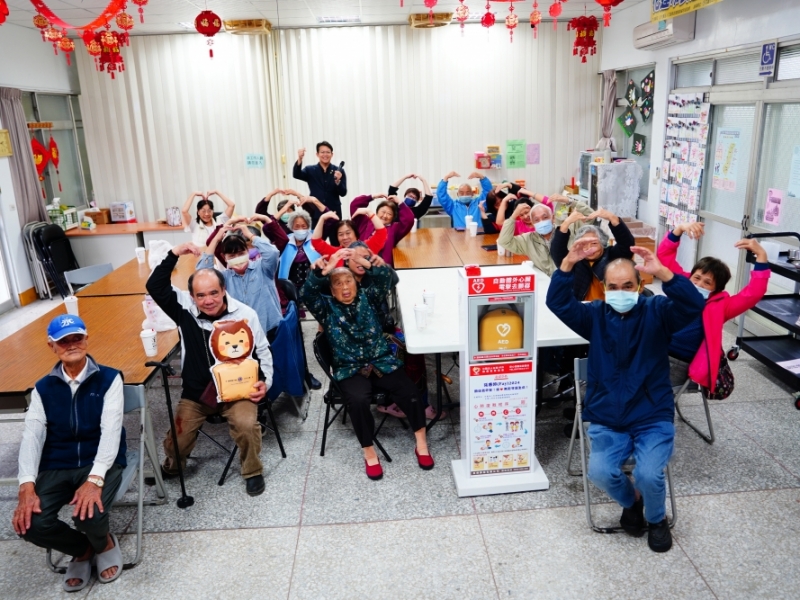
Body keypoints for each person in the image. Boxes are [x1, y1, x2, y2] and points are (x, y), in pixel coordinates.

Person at [546, 240, 705, 552]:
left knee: (649, 474)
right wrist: (566, 266)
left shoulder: (658, 311)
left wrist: (666, 274)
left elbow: (694, 307)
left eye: (628, 285)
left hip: (651, 414)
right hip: (607, 415)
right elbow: (559, 304)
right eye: (613, 286)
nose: (620, 292)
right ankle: (632, 502)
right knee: (599, 472)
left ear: (640, 284)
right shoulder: (594, 316)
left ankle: (657, 520)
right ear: (604, 288)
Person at [146, 243, 273, 497]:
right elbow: (155, 287)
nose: (208, 300)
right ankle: (173, 467)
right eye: (201, 295)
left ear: (224, 290)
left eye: (214, 293)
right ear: (192, 296)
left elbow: (263, 352)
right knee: (177, 440)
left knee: (247, 425)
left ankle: (252, 470)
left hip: (239, 390)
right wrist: (174, 255)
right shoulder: (184, 309)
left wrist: (265, 383)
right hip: (197, 393)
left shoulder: (245, 314)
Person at [13, 315, 126, 591]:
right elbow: (32, 436)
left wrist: (95, 479)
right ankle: (84, 549)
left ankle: (105, 543)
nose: (72, 344)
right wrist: (26, 484)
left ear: (87, 339)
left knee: (88, 516)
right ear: (52, 345)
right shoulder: (42, 388)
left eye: (77, 337)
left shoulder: (110, 379)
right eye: (64, 340)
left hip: (100, 460)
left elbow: (111, 432)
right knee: (30, 525)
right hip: (58, 463)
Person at [301, 261, 433, 480]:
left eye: (348, 281)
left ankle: (421, 441)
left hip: (380, 361)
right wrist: (319, 273)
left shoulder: (369, 298)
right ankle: (369, 451)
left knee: (409, 391)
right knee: (358, 400)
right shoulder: (325, 309)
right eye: (338, 283)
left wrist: (367, 260)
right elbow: (308, 293)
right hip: (349, 368)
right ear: (332, 291)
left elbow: (385, 279)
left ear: (356, 283)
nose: (344, 287)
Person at [657, 222, 771, 389]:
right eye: (696, 278)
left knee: (643, 390)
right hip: (654, 347)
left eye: (707, 282)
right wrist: (679, 229)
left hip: (677, 361)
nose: (699, 284)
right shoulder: (682, 283)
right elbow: (664, 258)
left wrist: (761, 255)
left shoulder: (721, 306)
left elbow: (754, 293)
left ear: (716, 289)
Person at [200, 217, 283, 339]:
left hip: (270, 329)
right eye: (232, 255)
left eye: (241, 253)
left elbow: (272, 253)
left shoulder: (263, 268)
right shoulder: (224, 277)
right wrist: (217, 238)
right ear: (224, 257)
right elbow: (203, 273)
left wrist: (250, 235)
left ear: (247, 252)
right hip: (240, 334)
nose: (237, 258)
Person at [550, 207, 634, 301]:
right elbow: (556, 252)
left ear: (602, 243)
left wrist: (612, 218)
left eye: (594, 243)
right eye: (584, 244)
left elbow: (627, 244)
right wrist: (566, 223)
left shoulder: (612, 256)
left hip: (609, 308)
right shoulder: (575, 260)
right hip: (583, 308)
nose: (589, 249)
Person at [497, 198, 594, 275]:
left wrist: (569, 201)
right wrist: (514, 215)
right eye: (536, 220)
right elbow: (504, 241)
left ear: (553, 218)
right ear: (533, 223)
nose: (542, 222)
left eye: (545, 217)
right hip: (546, 285)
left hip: (573, 282)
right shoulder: (527, 240)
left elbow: (590, 216)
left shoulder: (570, 229)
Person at [293, 142, 347, 241]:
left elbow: (343, 192)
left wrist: (338, 181)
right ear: (317, 154)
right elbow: (297, 174)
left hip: (334, 212)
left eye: (328, 152)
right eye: (322, 152)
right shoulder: (310, 170)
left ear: (332, 154)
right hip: (316, 213)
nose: (325, 155)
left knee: (336, 241)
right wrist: (300, 159)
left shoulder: (338, 171)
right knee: (316, 241)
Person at [350, 193, 414, 266]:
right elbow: (354, 204)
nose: (385, 216)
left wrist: (400, 203)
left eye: (389, 214)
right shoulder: (365, 222)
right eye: (383, 212)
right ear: (377, 212)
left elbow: (409, 220)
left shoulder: (395, 228)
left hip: (381, 265)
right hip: (360, 263)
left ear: (393, 218)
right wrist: (372, 196)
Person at [311, 211, 387, 266]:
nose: (345, 237)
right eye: (340, 234)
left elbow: (382, 233)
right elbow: (316, 242)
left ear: (356, 234)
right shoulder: (335, 254)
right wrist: (322, 218)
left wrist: (369, 212)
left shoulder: (367, 247)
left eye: (348, 233)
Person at [277, 208, 322, 291]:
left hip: (312, 286)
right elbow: (271, 227)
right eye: (297, 226)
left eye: (304, 226)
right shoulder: (285, 240)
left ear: (308, 226)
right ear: (291, 227)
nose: (300, 229)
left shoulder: (315, 238)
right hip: (290, 287)